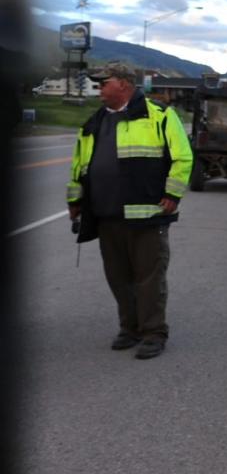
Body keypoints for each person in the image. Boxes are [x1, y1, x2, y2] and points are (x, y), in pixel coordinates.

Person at [66, 62, 193, 359]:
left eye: (104, 82)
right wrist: (75, 202)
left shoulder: (159, 115)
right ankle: (130, 328)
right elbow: (78, 167)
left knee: (149, 278)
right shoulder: (92, 123)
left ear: (123, 84)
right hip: (106, 216)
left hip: (147, 215)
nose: (99, 87)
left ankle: (153, 332)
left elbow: (183, 157)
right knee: (118, 277)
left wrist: (172, 193)